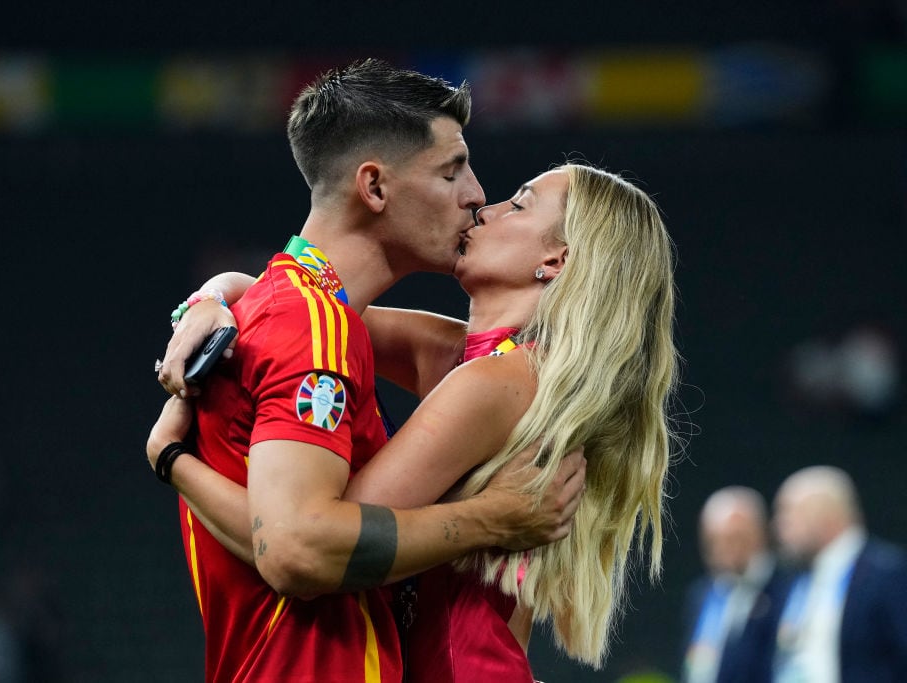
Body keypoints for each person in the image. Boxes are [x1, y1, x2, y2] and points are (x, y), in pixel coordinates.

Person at [146, 59, 586, 683]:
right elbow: (298, 546)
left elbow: (297, 540)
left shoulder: (314, 317)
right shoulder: (314, 325)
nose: (477, 195)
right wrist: (207, 300)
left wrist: (174, 456)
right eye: (451, 170)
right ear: (375, 188)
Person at [153, 161, 677, 679]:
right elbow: (285, 300)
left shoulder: (495, 383)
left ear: (556, 260)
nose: (484, 209)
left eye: (517, 205)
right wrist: (208, 299)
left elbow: (319, 548)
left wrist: (174, 459)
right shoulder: (473, 358)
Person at [772, 465, 907, 683]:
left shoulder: (887, 574)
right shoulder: (796, 582)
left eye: (787, 512)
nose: (778, 525)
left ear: (823, 514)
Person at [680, 486, 789, 683]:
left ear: (761, 534)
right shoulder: (702, 594)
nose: (723, 549)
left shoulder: (784, 589)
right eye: (713, 540)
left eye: (735, 538)